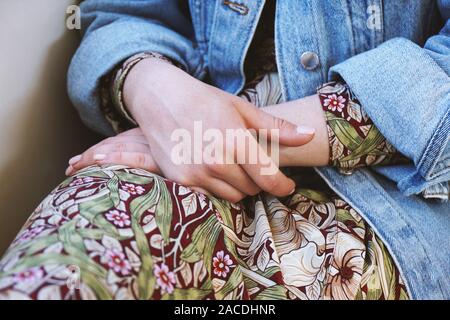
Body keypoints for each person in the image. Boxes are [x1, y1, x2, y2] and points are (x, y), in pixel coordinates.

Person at [0, 0, 448, 300]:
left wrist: (222, 138)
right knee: (64, 266)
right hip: (181, 153)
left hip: (391, 205)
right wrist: (156, 91)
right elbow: (125, 13)